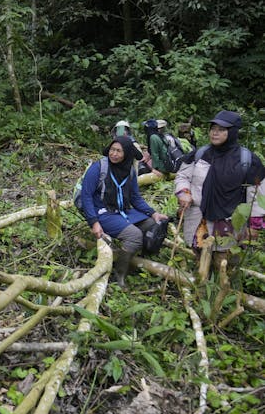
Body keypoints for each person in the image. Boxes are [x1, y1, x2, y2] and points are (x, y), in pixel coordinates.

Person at [174, 110, 265, 264]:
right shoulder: (201, 154)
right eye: (213, 128)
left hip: (230, 220)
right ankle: (201, 284)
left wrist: (254, 225)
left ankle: (223, 285)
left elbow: (257, 194)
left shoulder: (247, 160)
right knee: (200, 256)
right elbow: (183, 176)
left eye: (221, 130)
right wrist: (184, 192)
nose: (215, 133)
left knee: (225, 261)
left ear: (233, 132)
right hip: (199, 217)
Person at [81, 136, 169, 286]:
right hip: (103, 212)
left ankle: (136, 258)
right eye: (112, 150)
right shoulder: (98, 168)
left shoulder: (129, 171)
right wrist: (93, 222)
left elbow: (135, 197)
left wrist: (153, 213)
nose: (114, 154)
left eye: (119, 151)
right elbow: (86, 196)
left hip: (122, 211)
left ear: (127, 154)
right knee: (134, 235)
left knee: (151, 224)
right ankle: (120, 273)